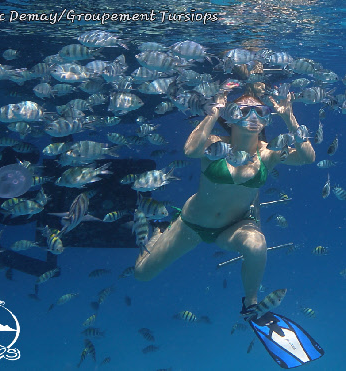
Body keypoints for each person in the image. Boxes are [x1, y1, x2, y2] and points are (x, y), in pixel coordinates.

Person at [134, 92, 315, 316]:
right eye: (244, 110)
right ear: (230, 117)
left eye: (260, 111)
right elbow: (190, 151)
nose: (253, 116)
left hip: (234, 227)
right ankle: (159, 233)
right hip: (192, 224)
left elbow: (307, 158)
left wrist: (289, 117)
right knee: (142, 274)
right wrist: (213, 113)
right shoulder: (215, 145)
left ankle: (250, 302)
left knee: (257, 245)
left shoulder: (268, 153)